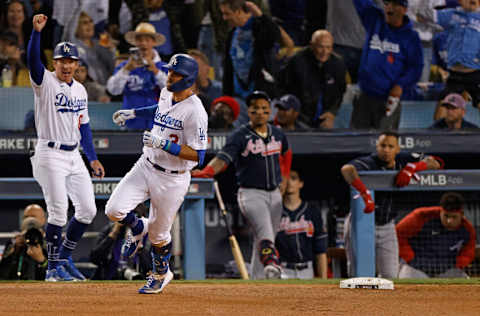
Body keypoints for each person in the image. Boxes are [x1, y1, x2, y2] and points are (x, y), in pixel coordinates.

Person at [105, 53, 208, 294]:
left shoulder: (196, 111)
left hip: (173, 177)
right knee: (113, 210)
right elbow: (158, 110)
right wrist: (133, 113)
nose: (170, 76)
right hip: (147, 164)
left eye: (175, 73)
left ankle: (161, 273)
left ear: (189, 79)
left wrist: (164, 144)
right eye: (169, 71)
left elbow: (199, 156)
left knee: (159, 235)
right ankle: (137, 226)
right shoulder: (165, 92)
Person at [27, 14, 106, 282]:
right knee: (59, 211)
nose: (67, 65)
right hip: (49, 153)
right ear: (55, 63)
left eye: (72, 61)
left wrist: (93, 158)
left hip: (73, 155)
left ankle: (62, 258)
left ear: (77, 64)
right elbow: (32, 62)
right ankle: (52, 269)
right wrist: (37, 33)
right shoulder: (45, 82)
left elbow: (84, 126)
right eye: (63, 61)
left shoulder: (81, 90)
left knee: (87, 210)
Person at [192, 90, 292, 279]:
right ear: (250, 111)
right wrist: (207, 172)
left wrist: (285, 178)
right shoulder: (239, 135)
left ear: (269, 111)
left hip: (275, 193)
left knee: (261, 239)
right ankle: (273, 265)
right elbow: (223, 159)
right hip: (251, 193)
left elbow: (286, 154)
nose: (260, 113)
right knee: (265, 232)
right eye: (256, 109)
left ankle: (257, 280)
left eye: (264, 109)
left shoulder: (278, 134)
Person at [340, 131, 440, 278]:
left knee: (391, 275)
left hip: (387, 226)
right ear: (377, 147)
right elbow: (347, 169)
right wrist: (364, 193)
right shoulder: (370, 162)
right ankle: (359, 301)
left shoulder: (403, 160)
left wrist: (412, 168)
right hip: (363, 223)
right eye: (383, 146)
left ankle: (383, 302)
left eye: (390, 146)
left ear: (398, 149)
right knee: (359, 274)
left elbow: (435, 162)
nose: (386, 150)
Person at [350, 0, 423, 130]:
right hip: (365, 96)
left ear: (404, 9)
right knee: (356, 142)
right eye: (387, 3)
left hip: (388, 99)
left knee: (386, 142)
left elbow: (416, 68)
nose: (389, 7)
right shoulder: (375, 20)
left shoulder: (411, 37)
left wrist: (400, 85)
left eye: (395, 4)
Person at [417, 0, 480, 120]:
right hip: (455, 76)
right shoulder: (451, 15)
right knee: (443, 107)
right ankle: (436, 136)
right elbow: (421, 15)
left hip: (476, 74)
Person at [396, 192, 476, 278]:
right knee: (406, 285)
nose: (449, 221)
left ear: (462, 214)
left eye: (454, 217)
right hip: (416, 268)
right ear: (441, 211)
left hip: (446, 270)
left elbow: (469, 249)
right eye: (446, 216)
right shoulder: (421, 216)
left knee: (465, 285)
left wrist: (460, 263)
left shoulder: (467, 229)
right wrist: (409, 256)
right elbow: (397, 234)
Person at [278, 30, 347, 129]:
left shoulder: (338, 64)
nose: (325, 52)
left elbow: (340, 92)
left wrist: (332, 112)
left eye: (328, 47)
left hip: (323, 117)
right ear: (312, 45)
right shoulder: (296, 61)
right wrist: (288, 110)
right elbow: (281, 86)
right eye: (321, 47)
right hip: (298, 116)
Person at [106, 22, 168, 130]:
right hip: (131, 124)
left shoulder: (163, 67)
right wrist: (126, 70)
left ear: (154, 42)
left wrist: (156, 71)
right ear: (135, 43)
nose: (143, 43)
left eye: (147, 40)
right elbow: (113, 90)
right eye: (140, 40)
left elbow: (172, 92)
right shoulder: (124, 67)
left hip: (158, 125)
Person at [220, 0, 283, 99]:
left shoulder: (259, 26)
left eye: (227, 14)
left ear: (239, 11)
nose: (224, 18)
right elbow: (228, 67)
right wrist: (226, 96)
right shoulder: (232, 34)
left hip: (261, 96)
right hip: (238, 97)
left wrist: (261, 16)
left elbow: (274, 36)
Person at [275, 169, 328, 279]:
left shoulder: (312, 211)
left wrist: (324, 280)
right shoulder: (274, 212)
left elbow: (321, 250)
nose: (289, 182)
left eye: (293, 178)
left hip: (307, 270)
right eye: (285, 179)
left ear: (301, 183)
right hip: (283, 270)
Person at [90, 204, 152, 280]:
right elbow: (94, 259)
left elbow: (151, 270)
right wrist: (113, 234)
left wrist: (141, 249)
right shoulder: (111, 230)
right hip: (110, 278)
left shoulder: (150, 234)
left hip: (137, 279)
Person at [72, 11, 115, 86]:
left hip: (108, 86)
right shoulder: (73, 47)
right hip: (89, 88)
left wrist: (111, 51)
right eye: (85, 23)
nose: (90, 25)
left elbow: (112, 67)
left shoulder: (99, 44)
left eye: (91, 22)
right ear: (76, 27)